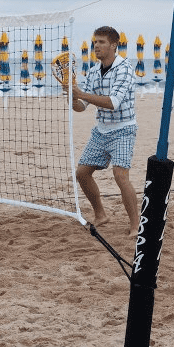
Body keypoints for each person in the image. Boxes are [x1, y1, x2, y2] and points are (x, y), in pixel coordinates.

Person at [66, 26, 139, 236]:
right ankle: (101, 215)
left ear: (114, 45)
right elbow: (81, 107)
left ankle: (135, 226)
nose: (96, 46)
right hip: (101, 131)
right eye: (95, 42)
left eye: (101, 42)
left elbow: (113, 102)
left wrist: (81, 93)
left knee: (120, 175)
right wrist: (71, 96)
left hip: (123, 129)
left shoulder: (124, 68)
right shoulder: (92, 71)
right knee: (81, 173)